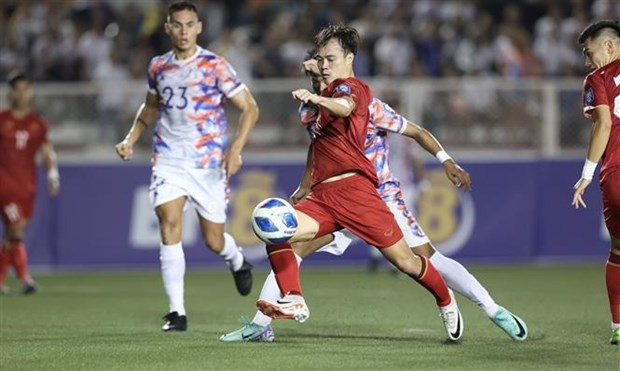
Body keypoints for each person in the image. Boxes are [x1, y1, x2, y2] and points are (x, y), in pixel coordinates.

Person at [220, 53, 528, 343]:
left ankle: (491, 309)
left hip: (380, 198)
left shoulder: (370, 107)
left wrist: (446, 159)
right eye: (319, 67)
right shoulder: (317, 113)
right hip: (334, 197)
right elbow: (317, 147)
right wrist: (305, 185)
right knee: (287, 240)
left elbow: (418, 131)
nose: (322, 72)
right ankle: (261, 325)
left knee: (425, 260)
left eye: (328, 63)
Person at [253, 24, 463, 342]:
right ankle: (294, 298)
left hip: (357, 192)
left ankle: (446, 301)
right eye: (320, 58)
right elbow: (317, 139)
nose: (325, 64)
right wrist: (305, 184)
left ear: (349, 58)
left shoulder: (356, 89)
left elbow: (344, 107)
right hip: (323, 196)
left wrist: (314, 95)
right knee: (275, 232)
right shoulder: (314, 103)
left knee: (406, 261)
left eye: (331, 58)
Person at [114, 0, 259, 332]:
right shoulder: (158, 67)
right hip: (168, 159)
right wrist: (132, 138)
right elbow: (150, 107)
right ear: (167, 28)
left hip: (207, 163)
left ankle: (236, 259)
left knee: (212, 240)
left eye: (189, 24)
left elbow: (250, 107)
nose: (183, 31)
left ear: (199, 27)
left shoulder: (215, 65)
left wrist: (235, 149)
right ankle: (177, 312)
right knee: (169, 222)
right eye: (177, 25)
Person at [571, 20, 620, 345]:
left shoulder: (598, 78)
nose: (588, 61)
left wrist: (586, 173)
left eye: (590, 53)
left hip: (616, 172)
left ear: (609, 47)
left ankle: (619, 326)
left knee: (617, 250)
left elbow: (603, 122)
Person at [0, 71, 60, 295]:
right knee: (16, 229)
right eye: (18, 89)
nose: (22, 94)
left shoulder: (37, 123)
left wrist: (53, 174)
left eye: (26, 89)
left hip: (27, 187)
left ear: (31, 92)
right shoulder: (2, 119)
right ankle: (25, 278)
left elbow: (46, 151)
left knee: (11, 233)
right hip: (4, 185)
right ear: (11, 92)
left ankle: (3, 278)